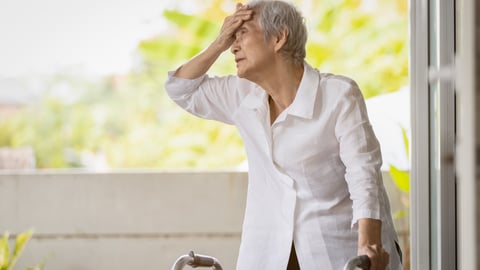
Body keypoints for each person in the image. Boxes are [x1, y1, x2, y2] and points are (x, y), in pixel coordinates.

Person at [164, 1, 403, 269]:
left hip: (340, 252)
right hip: (269, 254)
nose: (233, 45)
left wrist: (367, 246)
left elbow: (363, 174)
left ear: (278, 38)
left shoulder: (338, 96)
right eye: (232, 36)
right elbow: (180, 89)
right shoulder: (242, 95)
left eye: (242, 33)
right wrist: (218, 42)